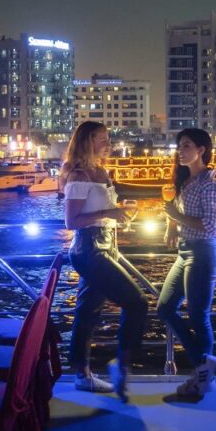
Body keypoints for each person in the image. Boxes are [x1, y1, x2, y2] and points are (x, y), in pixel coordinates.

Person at [62, 121, 148, 401]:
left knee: (88, 313)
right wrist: (111, 212)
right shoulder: (78, 176)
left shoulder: (101, 172)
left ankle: (82, 374)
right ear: (87, 142)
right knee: (137, 302)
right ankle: (121, 365)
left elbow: (102, 212)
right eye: (102, 139)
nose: (108, 143)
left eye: (108, 138)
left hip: (107, 245)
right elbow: (72, 221)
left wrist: (119, 215)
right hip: (89, 250)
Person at [158, 128, 216, 397]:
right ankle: (203, 366)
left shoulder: (210, 187)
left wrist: (176, 216)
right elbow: (178, 212)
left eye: (187, 145)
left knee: (199, 316)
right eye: (179, 146)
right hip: (185, 252)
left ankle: (201, 376)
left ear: (201, 150)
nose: (181, 150)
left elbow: (210, 227)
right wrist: (172, 226)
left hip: (202, 253)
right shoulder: (186, 182)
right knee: (165, 308)